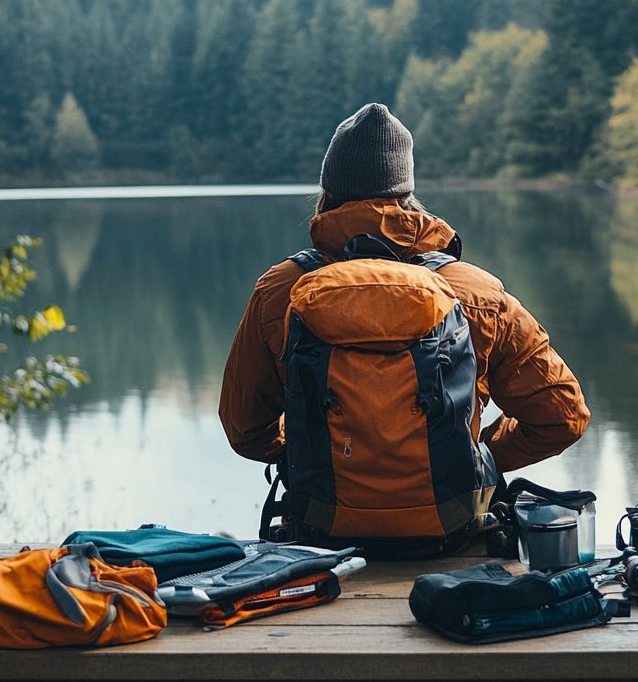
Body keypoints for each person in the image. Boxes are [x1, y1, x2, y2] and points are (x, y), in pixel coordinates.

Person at [219, 102, 590, 480]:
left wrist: (313, 458)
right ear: (406, 193)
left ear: (328, 192)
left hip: (320, 529)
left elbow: (244, 430)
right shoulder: (476, 293)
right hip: (452, 530)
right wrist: (471, 458)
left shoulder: (281, 290)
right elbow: (562, 416)